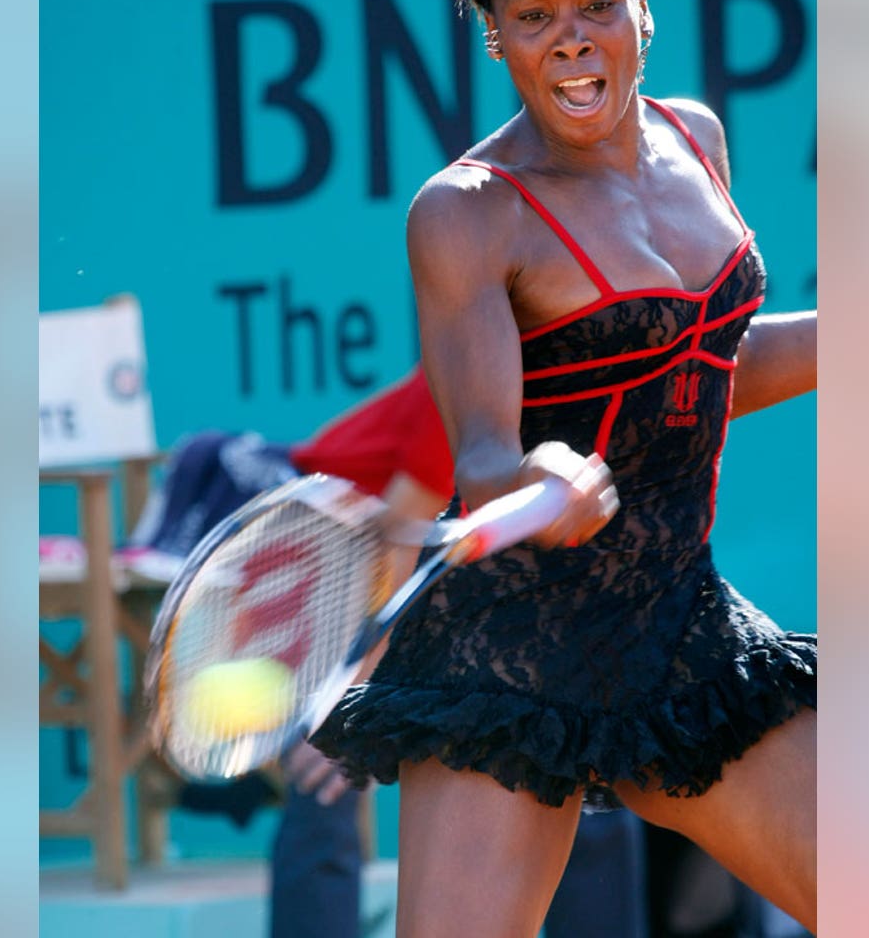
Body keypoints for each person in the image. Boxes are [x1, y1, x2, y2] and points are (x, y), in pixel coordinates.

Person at [310, 0, 819, 936]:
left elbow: (699, 376)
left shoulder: (698, 140)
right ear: (495, 38)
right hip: (515, 656)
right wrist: (539, 477)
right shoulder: (466, 214)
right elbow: (488, 460)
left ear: (646, 9)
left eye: (596, 3)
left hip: (682, 629)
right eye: (532, 14)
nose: (571, 37)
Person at [120, 369, 652, 938]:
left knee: (584, 764)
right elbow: (397, 547)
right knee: (328, 765)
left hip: (461, 569)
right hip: (330, 552)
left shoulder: (604, 367)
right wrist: (353, 698)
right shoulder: (468, 382)